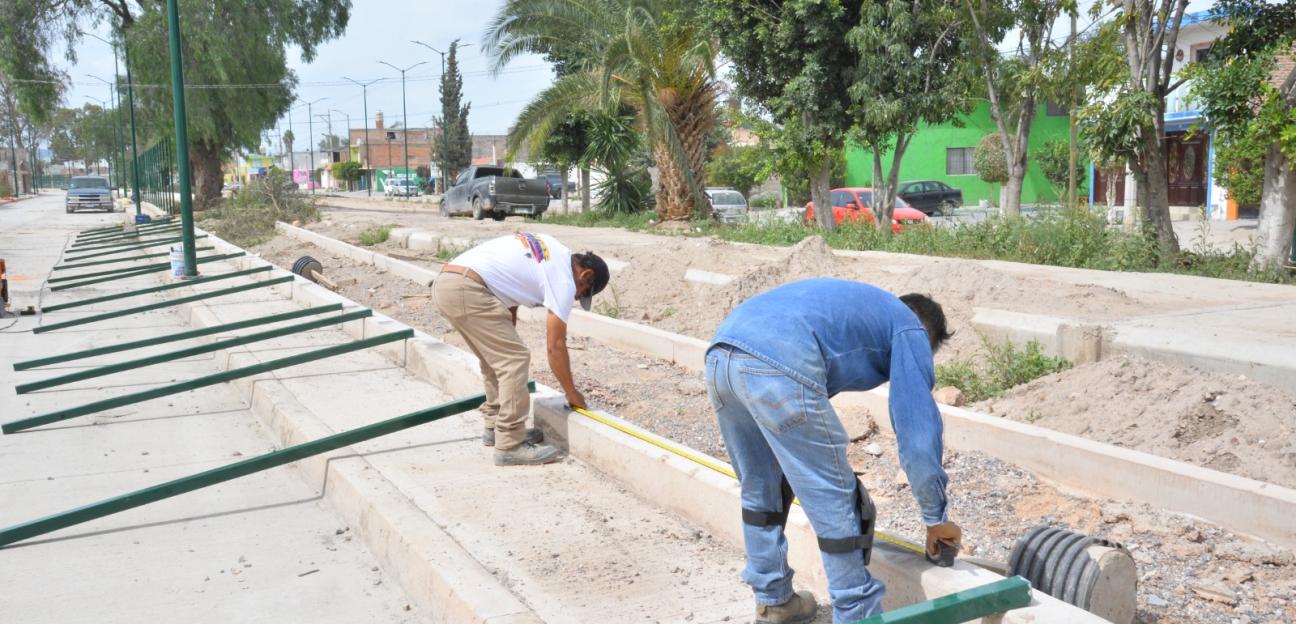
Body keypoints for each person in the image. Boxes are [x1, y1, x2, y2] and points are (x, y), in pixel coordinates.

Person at [705, 278, 961, 624]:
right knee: (838, 500)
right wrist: (935, 517)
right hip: (777, 361)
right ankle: (856, 615)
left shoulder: (855, 309)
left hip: (721, 356)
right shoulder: (909, 327)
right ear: (928, 335)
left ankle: (774, 602)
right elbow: (917, 433)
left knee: (762, 486)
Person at [434, 232, 610, 466]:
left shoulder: (552, 250)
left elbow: (510, 291)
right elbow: (555, 347)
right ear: (585, 275)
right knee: (514, 360)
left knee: (496, 359)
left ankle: (495, 427)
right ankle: (510, 444)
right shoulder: (564, 280)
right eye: (582, 293)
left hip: (450, 282)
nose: (576, 297)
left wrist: (507, 334)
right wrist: (572, 393)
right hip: (469, 289)